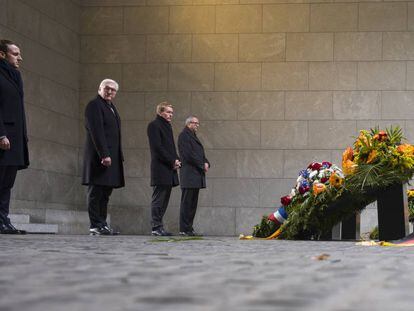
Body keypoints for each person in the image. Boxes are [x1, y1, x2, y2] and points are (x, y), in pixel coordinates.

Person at [82, 79, 125, 235]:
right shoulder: (94, 105)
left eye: (113, 90)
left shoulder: (111, 107)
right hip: (99, 157)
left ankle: (102, 224)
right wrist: (104, 154)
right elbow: (96, 131)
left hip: (111, 157)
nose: (110, 92)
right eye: (107, 89)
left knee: (105, 193)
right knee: (96, 192)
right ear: (100, 88)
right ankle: (95, 225)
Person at [0, 39, 29, 234]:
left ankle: (3, 220)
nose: (20, 57)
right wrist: (1, 134)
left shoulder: (14, 76)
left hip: (15, 138)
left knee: (7, 183)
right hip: (3, 138)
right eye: (15, 53)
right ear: (2, 54)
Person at [147, 102, 181, 236]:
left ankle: (159, 226)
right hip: (161, 168)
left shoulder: (167, 126)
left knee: (164, 199)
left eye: (171, 113)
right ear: (160, 112)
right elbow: (157, 148)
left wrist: (177, 160)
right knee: (159, 199)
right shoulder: (154, 125)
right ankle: (156, 227)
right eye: (168, 112)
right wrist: (172, 161)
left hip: (169, 168)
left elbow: (170, 147)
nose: (170, 115)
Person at [177, 116, 209, 236]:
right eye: (194, 123)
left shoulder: (193, 136)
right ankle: (184, 229)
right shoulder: (184, 136)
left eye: (197, 123)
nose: (196, 125)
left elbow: (200, 153)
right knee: (187, 203)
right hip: (189, 174)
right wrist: (202, 164)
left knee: (192, 204)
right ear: (188, 124)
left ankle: (189, 228)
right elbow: (188, 155)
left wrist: (206, 162)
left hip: (195, 175)